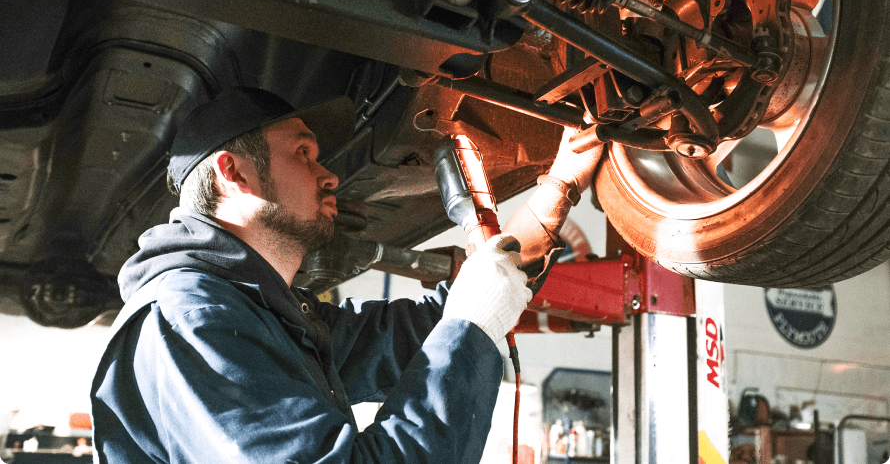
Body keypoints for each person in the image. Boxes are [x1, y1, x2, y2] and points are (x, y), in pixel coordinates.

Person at [90, 87, 600, 463]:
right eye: (303, 153)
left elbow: (424, 333)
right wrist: (473, 322)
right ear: (234, 174)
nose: (329, 173)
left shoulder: (263, 313)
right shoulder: (190, 320)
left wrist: (559, 186)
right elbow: (464, 324)